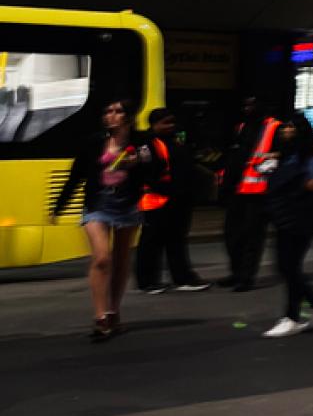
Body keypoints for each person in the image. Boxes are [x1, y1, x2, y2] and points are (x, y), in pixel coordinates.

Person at [52, 97, 160, 341]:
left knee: (121, 261)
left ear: (128, 117)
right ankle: (100, 317)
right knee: (102, 258)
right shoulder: (94, 143)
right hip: (97, 205)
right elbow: (76, 175)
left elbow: (155, 171)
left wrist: (139, 164)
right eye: (107, 111)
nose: (110, 115)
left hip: (127, 206)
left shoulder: (142, 142)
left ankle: (114, 312)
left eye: (117, 111)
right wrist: (59, 205)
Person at [263, 113, 313, 338]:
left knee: (290, 267)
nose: (285, 132)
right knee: (285, 267)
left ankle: (292, 317)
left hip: (301, 216)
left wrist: (286, 179)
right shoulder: (287, 152)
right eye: (284, 128)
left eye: (290, 128)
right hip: (284, 214)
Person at [134, 109, 210, 294]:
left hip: (179, 198)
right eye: (165, 123)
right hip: (157, 199)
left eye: (172, 122)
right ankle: (148, 281)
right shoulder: (147, 143)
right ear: (154, 124)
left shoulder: (176, 140)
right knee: (151, 242)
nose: (170, 126)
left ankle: (182, 278)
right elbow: (146, 171)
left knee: (176, 241)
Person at [219, 96, 279, 291]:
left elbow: (282, 154)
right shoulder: (242, 127)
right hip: (237, 188)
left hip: (259, 191)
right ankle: (236, 273)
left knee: (252, 237)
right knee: (232, 235)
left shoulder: (274, 127)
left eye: (252, 104)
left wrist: (268, 164)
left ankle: (246, 277)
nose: (247, 108)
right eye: (245, 105)